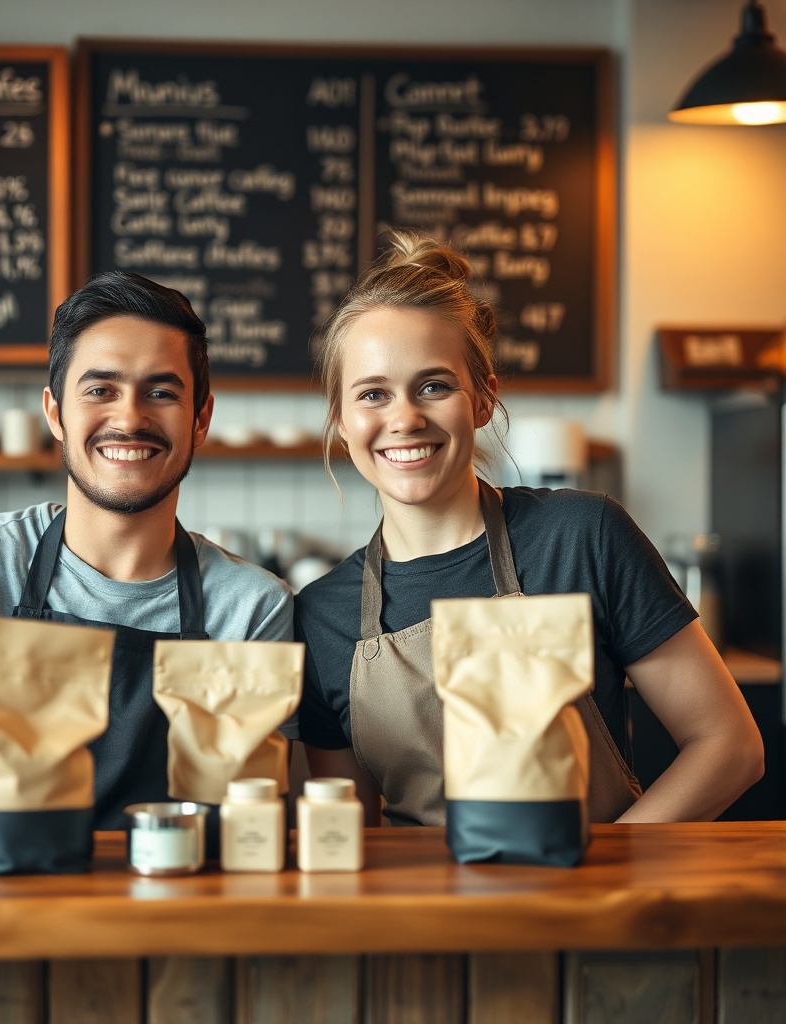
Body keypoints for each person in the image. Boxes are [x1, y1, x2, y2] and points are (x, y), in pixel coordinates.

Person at [293, 227, 763, 827]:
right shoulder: (322, 615)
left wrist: (607, 876)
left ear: (483, 399)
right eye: (373, 394)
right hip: (423, 918)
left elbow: (729, 747)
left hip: (591, 910)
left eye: (434, 386)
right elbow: (346, 833)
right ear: (340, 420)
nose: (405, 418)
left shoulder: (581, 536)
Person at [0, 272, 293, 831]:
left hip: (168, 905)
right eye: (100, 390)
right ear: (54, 413)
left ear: (201, 419)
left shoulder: (252, 609)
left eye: (161, 392)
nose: (129, 418)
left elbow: (246, 824)